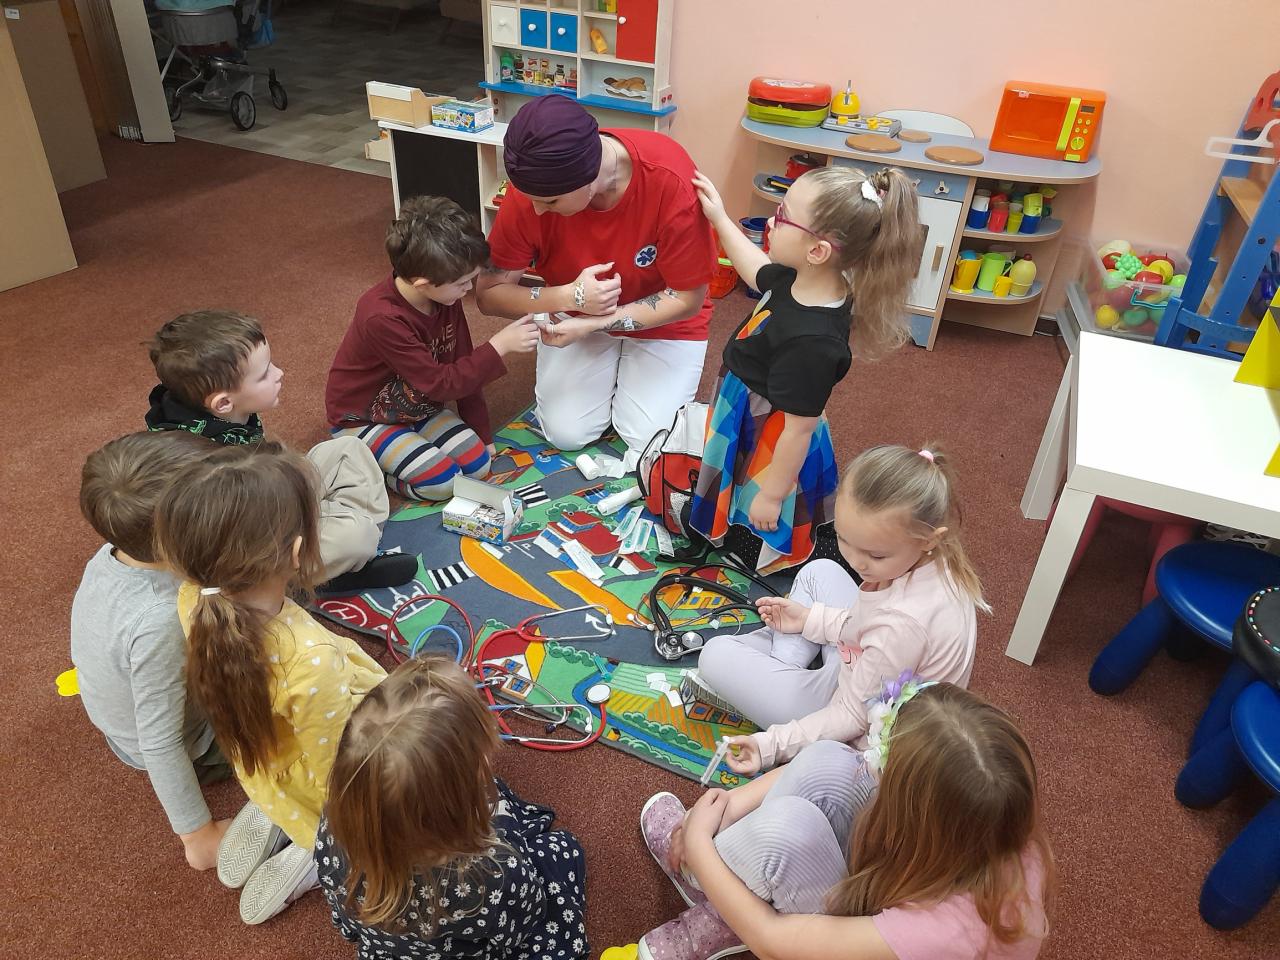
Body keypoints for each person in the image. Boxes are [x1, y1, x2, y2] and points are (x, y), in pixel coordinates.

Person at [638, 683, 1054, 960]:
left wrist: (699, 841)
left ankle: (716, 898)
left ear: (919, 823)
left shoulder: (942, 932)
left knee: (787, 831)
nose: (872, 765)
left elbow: (771, 941)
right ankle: (715, 881)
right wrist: (730, 805)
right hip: (902, 896)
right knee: (831, 762)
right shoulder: (997, 826)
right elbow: (830, 766)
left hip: (871, 941)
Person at [153, 441, 387, 924]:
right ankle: (319, 852)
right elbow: (338, 772)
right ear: (299, 551)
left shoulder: (195, 597)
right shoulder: (312, 662)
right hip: (320, 789)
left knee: (293, 794)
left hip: (262, 765)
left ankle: (285, 815)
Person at [690, 444, 986, 775]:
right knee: (820, 571)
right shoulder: (935, 559)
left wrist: (770, 745)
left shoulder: (900, 625)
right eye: (843, 538)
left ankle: (780, 669)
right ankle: (781, 667)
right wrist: (810, 619)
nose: (856, 562)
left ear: (929, 539)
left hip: (856, 726)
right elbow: (868, 623)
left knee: (713, 654)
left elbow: (852, 716)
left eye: (875, 555)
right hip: (866, 670)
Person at [687, 166, 920, 573]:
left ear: (817, 251)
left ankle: (758, 547)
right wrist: (720, 219)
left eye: (782, 216)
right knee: (737, 478)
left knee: (757, 504)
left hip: (772, 433)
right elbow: (756, 270)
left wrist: (772, 495)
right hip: (749, 405)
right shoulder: (799, 280)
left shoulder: (813, 342)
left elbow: (798, 431)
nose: (771, 222)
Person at [476, 94, 717, 455]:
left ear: (588, 177)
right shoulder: (533, 187)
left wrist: (595, 323)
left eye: (551, 202)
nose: (537, 211)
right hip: (573, 317)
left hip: (665, 321)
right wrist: (568, 297)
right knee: (566, 434)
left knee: (649, 440)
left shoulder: (670, 179)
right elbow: (488, 293)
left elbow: (687, 299)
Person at [314, 656, 590, 960]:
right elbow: (525, 921)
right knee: (565, 850)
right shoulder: (489, 873)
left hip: (387, 951)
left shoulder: (332, 827)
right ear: (451, 816)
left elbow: (345, 922)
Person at [146, 309, 414, 594]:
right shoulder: (205, 465)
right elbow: (247, 535)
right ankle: (310, 576)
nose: (279, 373)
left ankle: (345, 553)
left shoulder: (220, 412)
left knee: (348, 450)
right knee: (353, 537)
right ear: (223, 403)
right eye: (264, 374)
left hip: (273, 494)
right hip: (254, 540)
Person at [70, 431, 228, 871]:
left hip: (126, 719)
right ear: (181, 541)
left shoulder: (112, 552)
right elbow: (159, 740)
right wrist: (199, 836)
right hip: (190, 742)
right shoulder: (161, 619)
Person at [327, 195, 540, 501]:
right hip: (364, 417)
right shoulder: (382, 317)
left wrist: (482, 432)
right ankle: (375, 471)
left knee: (478, 465)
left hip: (419, 407)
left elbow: (463, 361)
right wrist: (498, 346)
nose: (469, 289)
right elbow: (441, 383)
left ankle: (406, 448)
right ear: (423, 284)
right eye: (463, 282)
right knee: (443, 483)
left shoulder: (445, 296)